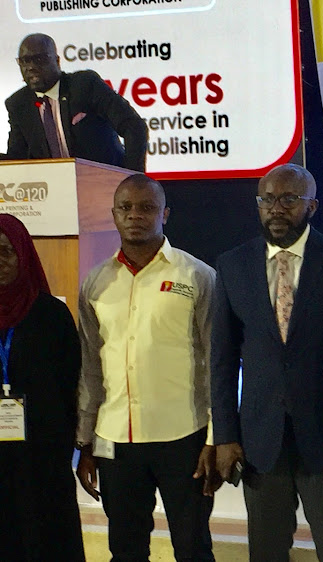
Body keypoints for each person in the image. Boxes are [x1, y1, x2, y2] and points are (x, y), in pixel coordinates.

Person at [211, 163, 323, 562]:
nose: (276, 208)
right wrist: (225, 434)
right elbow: (221, 359)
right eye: (267, 199)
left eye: (289, 199)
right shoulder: (233, 265)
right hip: (259, 441)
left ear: (313, 206)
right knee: (266, 553)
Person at [76, 174, 218, 561]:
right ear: (113, 215)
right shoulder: (95, 282)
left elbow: (218, 363)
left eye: (146, 207)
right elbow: (91, 366)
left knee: (192, 547)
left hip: (184, 438)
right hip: (115, 440)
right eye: (126, 208)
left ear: (165, 214)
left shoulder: (197, 276)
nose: (135, 215)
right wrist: (85, 442)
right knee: (125, 548)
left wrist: (214, 437)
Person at [0, 214, 84, 561]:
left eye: (6, 251)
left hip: (41, 457)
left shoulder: (51, 315)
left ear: (24, 254)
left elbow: (70, 386)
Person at [3, 33, 147, 171]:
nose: (31, 67)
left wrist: (133, 178)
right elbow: (17, 160)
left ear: (57, 61)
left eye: (39, 59)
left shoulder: (84, 85)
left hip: (104, 182)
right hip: (54, 190)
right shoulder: (18, 104)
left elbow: (134, 126)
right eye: (24, 61)